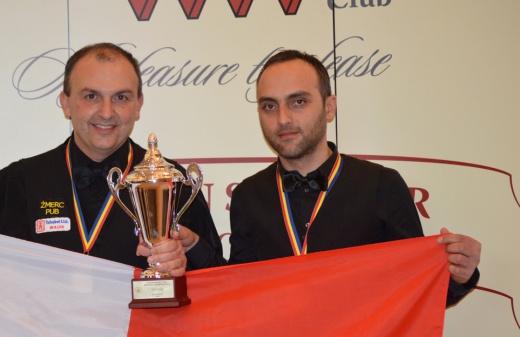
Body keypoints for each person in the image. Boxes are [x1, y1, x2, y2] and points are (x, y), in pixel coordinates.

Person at [171, 49, 480, 306]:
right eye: (269, 106)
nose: (283, 118)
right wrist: (195, 245)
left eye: (298, 101)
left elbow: (418, 289)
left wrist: (459, 276)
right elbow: (238, 292)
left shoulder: (381, 185)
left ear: (329, 107)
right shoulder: (248, 195)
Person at [0, 43, 223, 276]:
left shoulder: (173, 182)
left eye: (121, 97)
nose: (106, 112)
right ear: (66, 103)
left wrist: (189, 251)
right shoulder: (18, 183)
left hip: (142, 324)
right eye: (91, 96)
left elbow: (220, 280)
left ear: (138, 105)